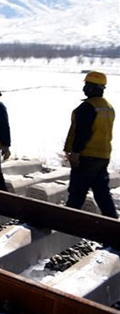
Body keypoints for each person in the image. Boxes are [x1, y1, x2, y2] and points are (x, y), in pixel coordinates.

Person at [63, 71, 117, 218]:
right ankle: (112, 224)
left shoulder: (87, 107)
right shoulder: (108, 107)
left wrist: (75, 152)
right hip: (103, 156)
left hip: (87, 156)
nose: (85, 88)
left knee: (77, 191)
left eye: (87, 85)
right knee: (101, 192)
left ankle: (67, 222)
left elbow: (82, 133)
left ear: (93, 88)